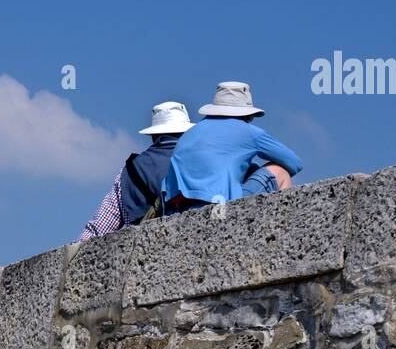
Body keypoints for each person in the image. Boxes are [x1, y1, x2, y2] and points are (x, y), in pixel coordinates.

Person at [162, 81, 303, 214]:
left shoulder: (190, 132)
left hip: (179, 207)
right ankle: (284, 224)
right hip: (220, 206)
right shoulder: (249, 132)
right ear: (247, 114)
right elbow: (295, 163)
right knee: (280, 171)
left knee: (249, 168)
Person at [77, 101, 193, 241]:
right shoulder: (199, 162)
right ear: (188, 131)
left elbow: (99, 228)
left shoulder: (128, 172)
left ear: (153, 136)